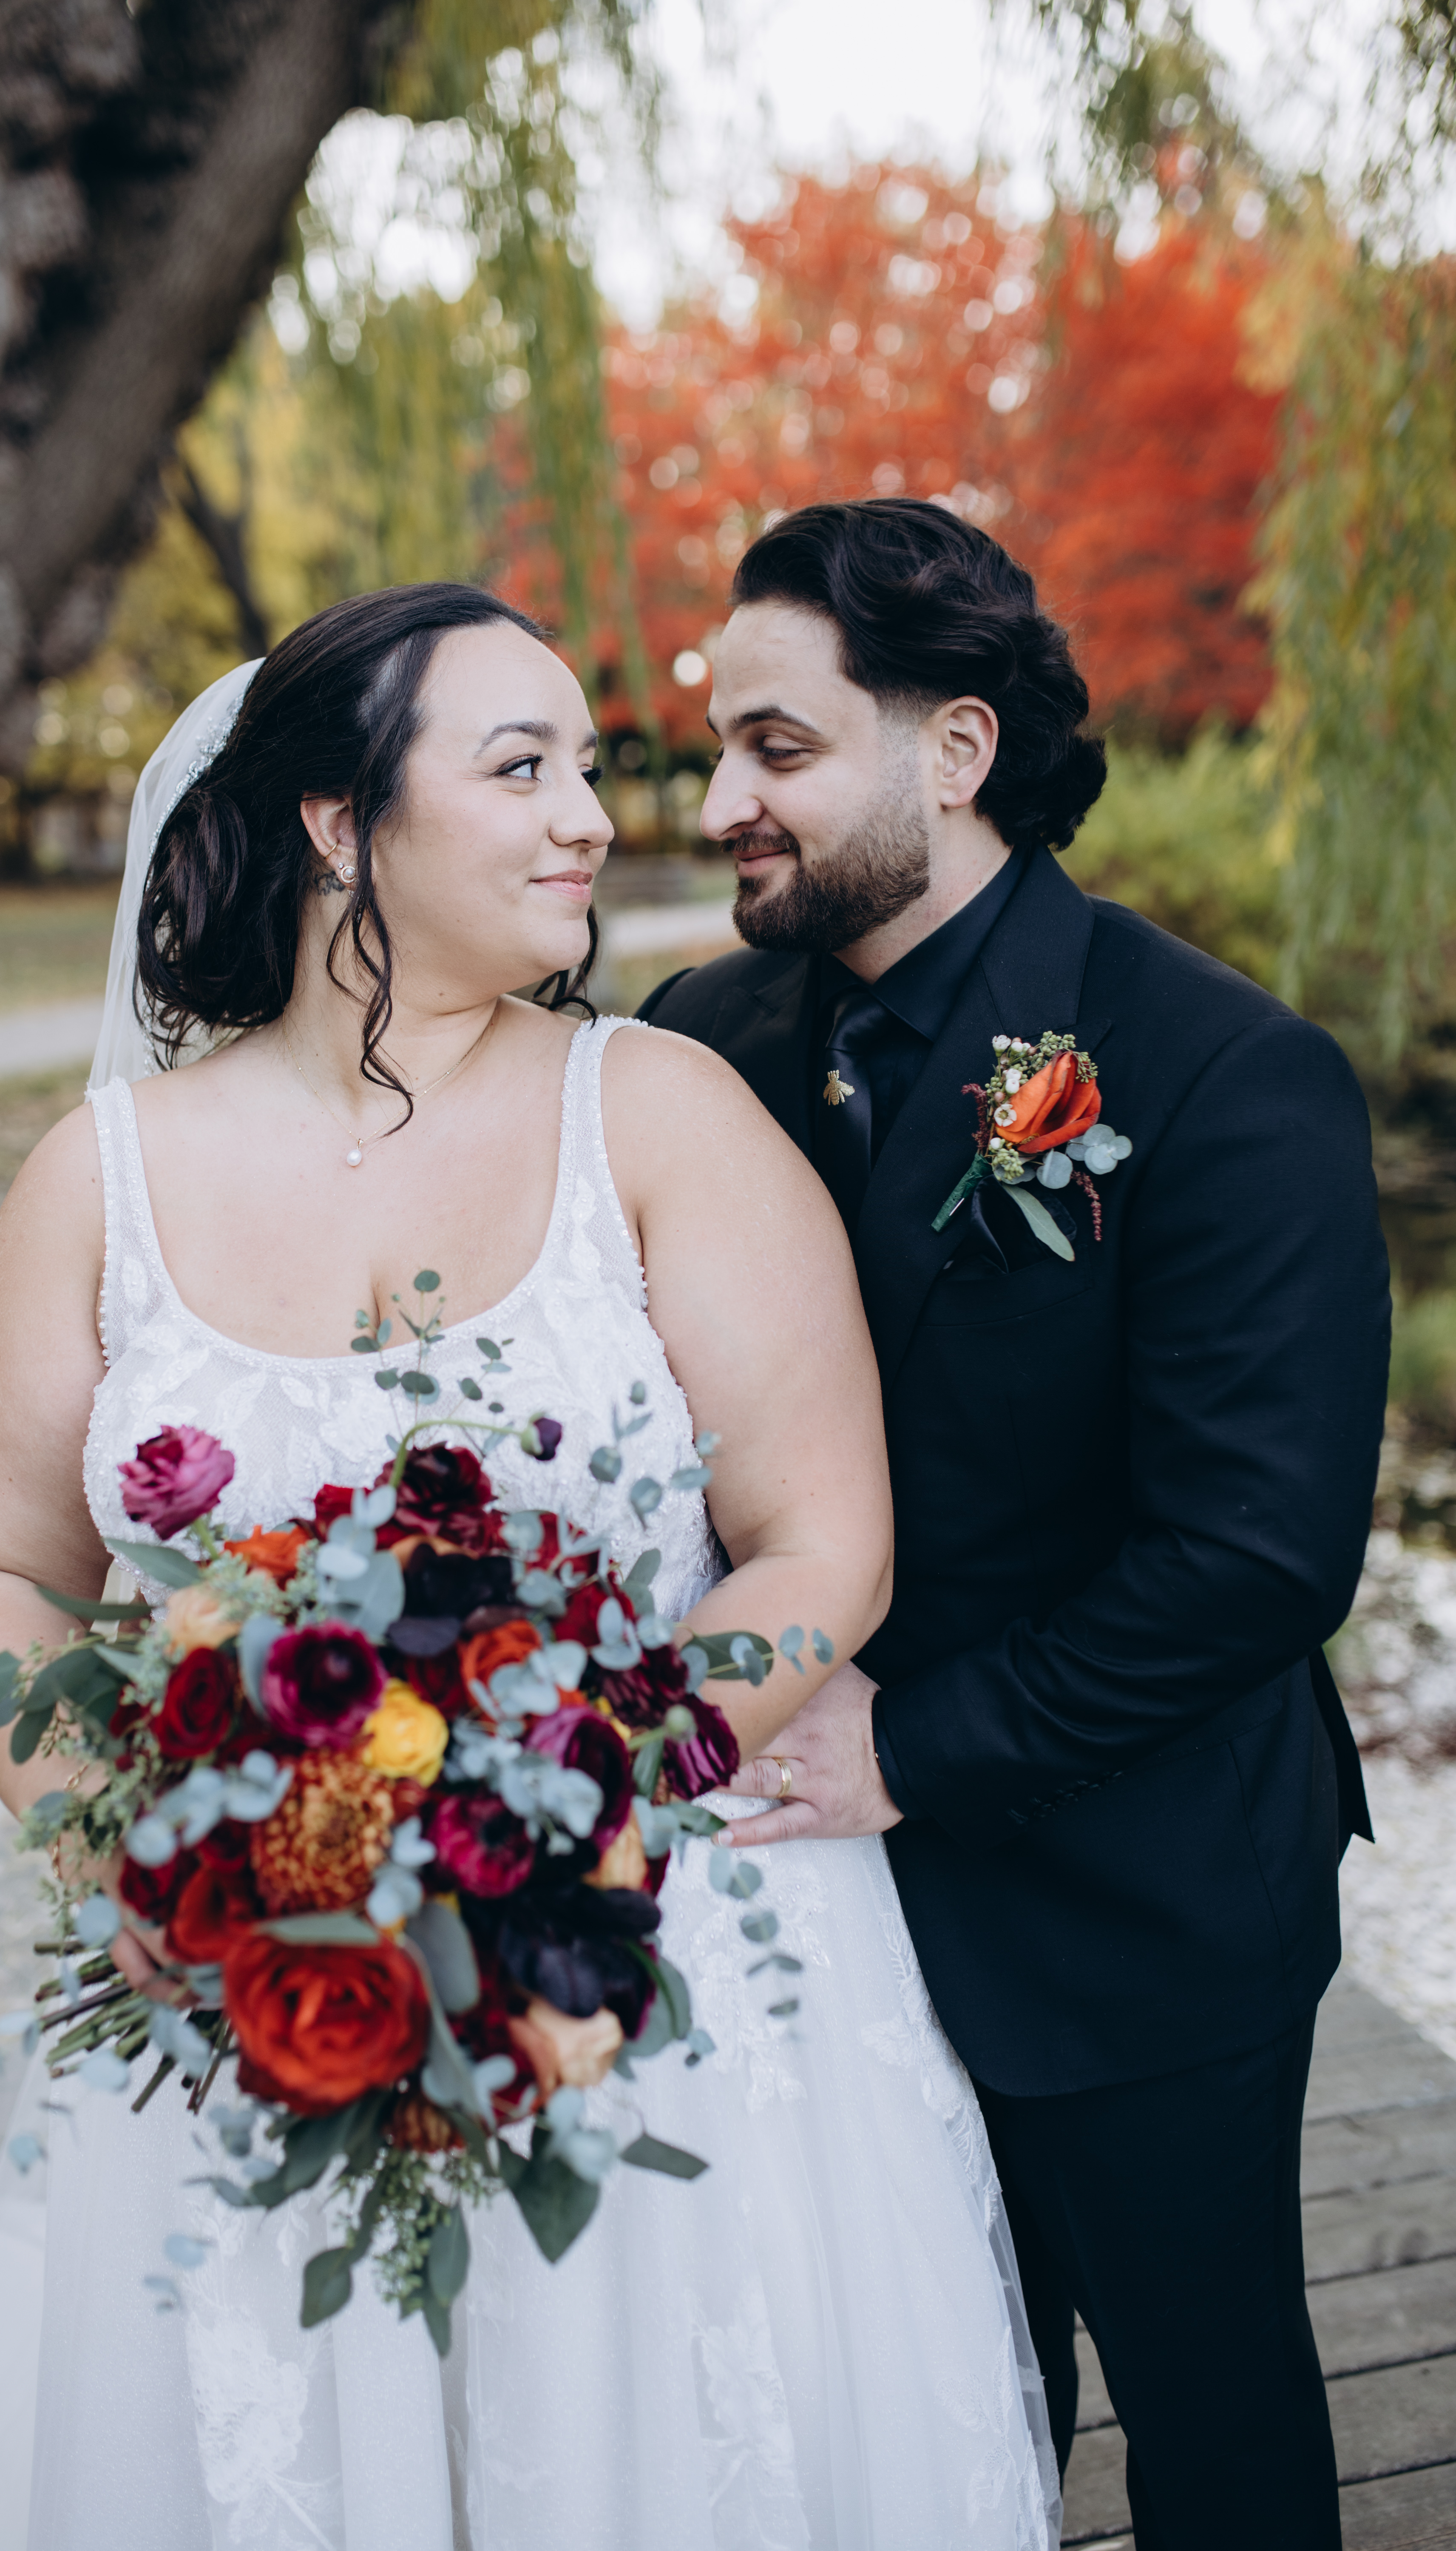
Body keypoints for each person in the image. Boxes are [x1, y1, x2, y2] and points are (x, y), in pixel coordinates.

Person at [0, 582, 1060, 2551]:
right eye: (522, 768)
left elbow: (826, 1543)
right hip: (257, 1990)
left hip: (649, 1975)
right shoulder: (97, 1182)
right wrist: (136, 1852)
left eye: (588, 768)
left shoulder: (665, 1119)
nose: (592, 818)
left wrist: (555, 1814)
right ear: (337, 823)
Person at [639, 497, 1391, 2551]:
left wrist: (909, 1744)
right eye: (716, 749)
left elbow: (1255, 1557)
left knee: (1209, 2418)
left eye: (777, 748)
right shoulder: (697, 1050)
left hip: (1131, 1892)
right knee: (930, 2417)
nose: (717, 806)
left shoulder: (1224, 1074)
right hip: (801, 1910)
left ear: (953, 749)